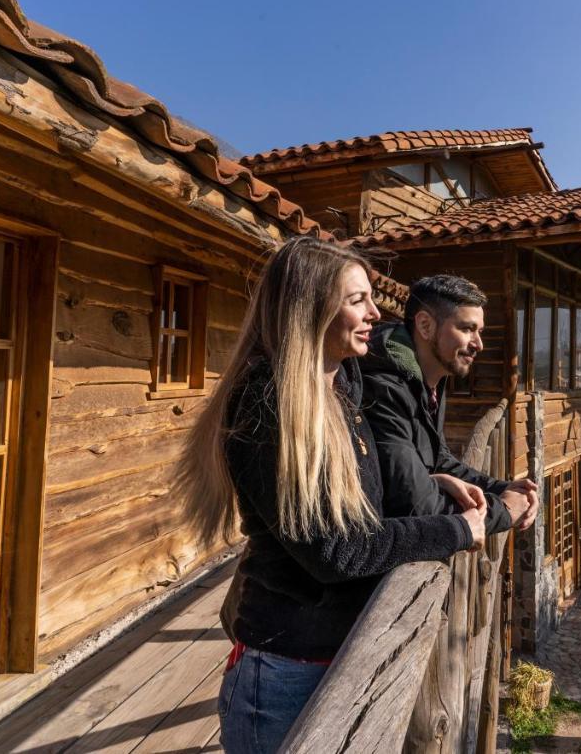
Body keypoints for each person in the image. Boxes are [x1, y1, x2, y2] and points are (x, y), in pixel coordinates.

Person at [179, 237, 486, 754]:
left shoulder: (338, 387)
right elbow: (334, 549)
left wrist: (433, 485)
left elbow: (349, 497)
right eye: (357, 300)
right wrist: (455, 529)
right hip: (285, 678)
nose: (375, 312)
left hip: (333, 659)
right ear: (310, 306)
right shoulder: (268, 402)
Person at [361, 274, 540, 533]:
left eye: (479, 331)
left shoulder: (429, 380)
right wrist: (505, 509)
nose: (478, 343)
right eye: (467, 329)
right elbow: (416, 503)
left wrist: (504, 488)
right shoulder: (383, 389)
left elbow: (437, 458)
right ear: (425, 326)